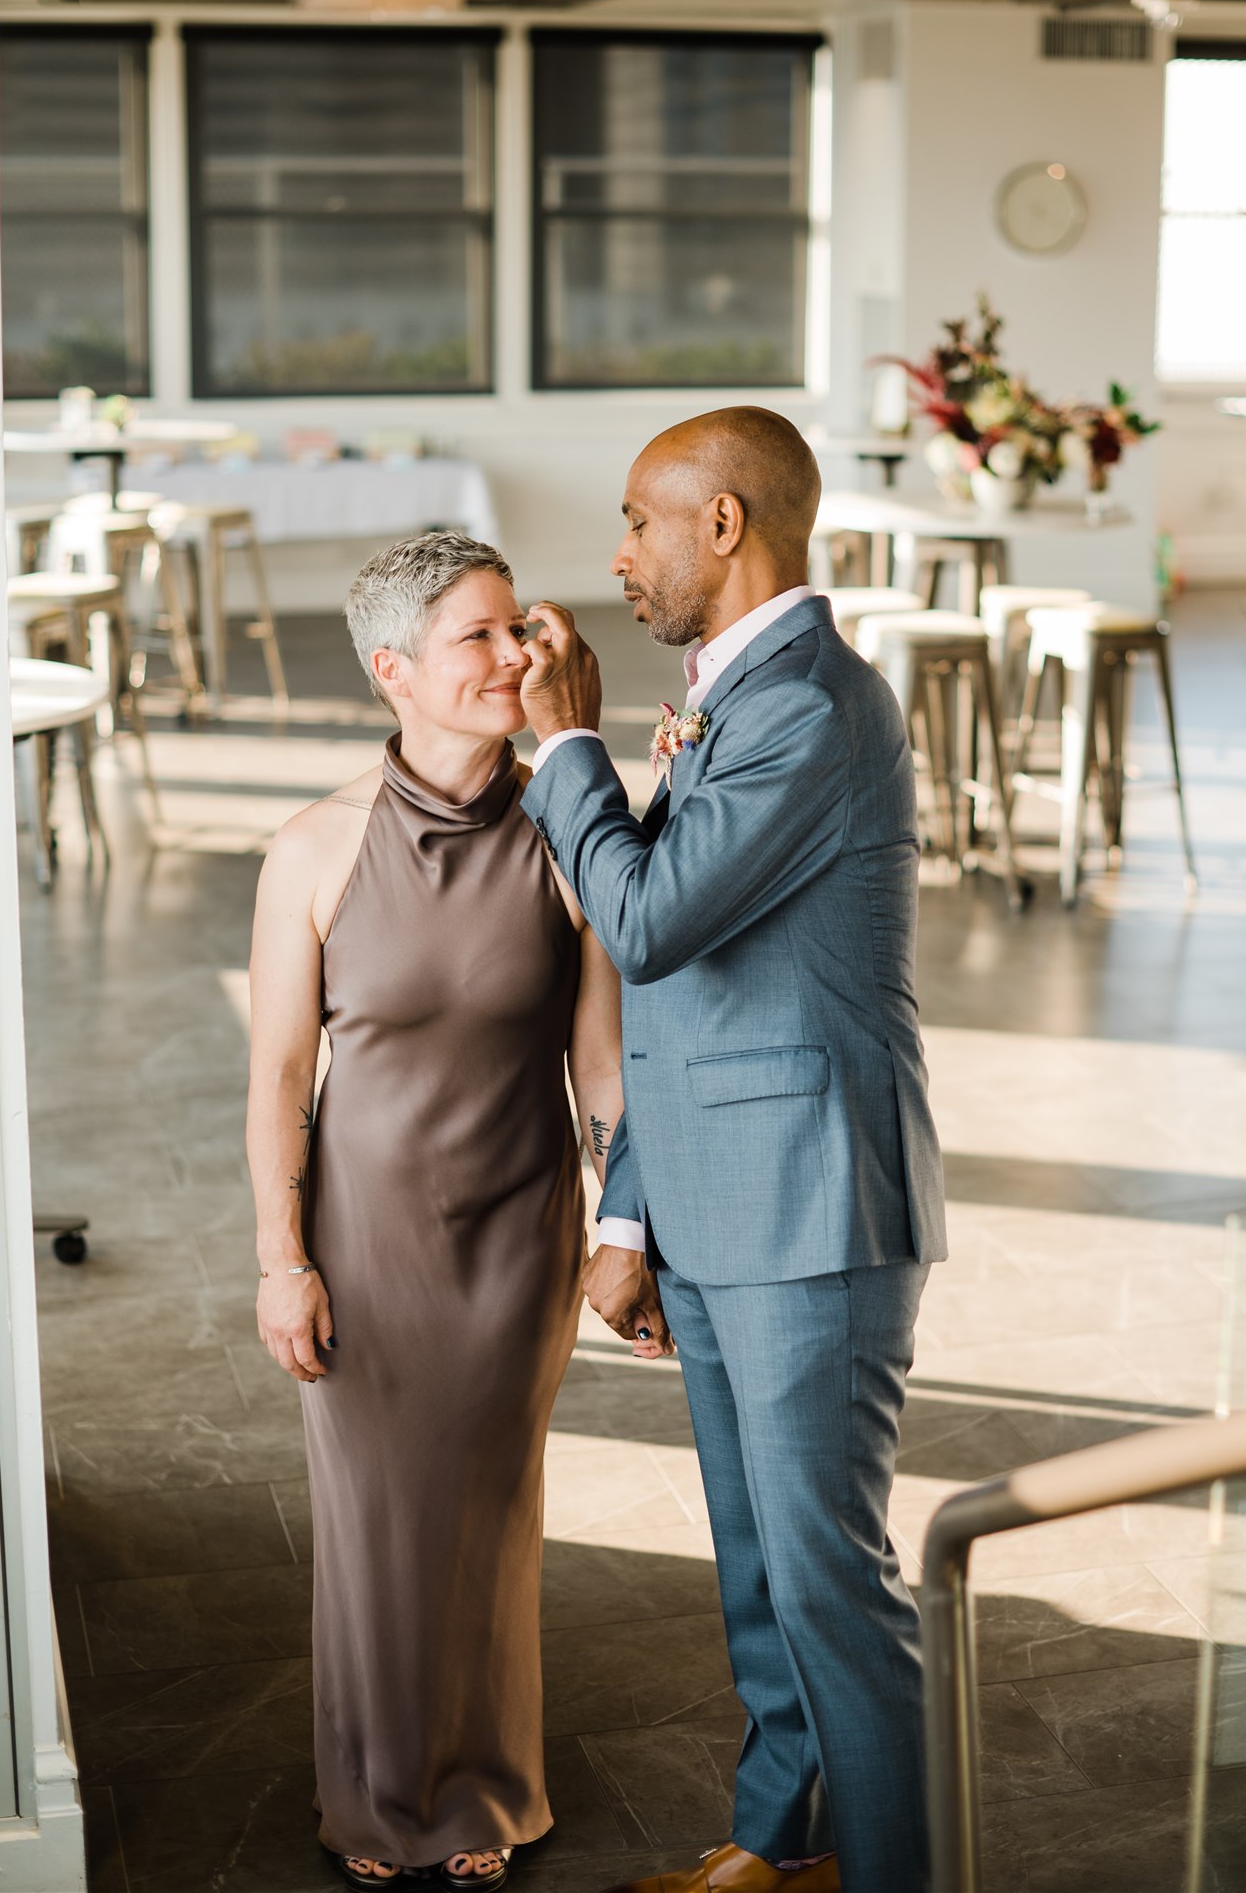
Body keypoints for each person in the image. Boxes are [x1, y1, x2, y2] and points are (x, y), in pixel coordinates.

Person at [517, 407, 947, 1893]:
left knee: (833, 1590)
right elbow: (676, 992)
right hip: (713, 1201)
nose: (620, 552)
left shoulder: (814, 710)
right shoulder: (737, 696)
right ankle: (785, 1847)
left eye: (641, 519)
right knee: (763, 1578)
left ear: (723, 526)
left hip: (813, 1213)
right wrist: (632, 1216)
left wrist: (563, 741)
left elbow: (640, 920)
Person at [246, 534, 628, 1891]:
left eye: (517, 629)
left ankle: (484, 1790)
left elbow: (601, 1061)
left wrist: (622, 1225)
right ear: (391, 670)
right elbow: (282, 1077)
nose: (516, 655)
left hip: (516, 1234)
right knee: (373, 1523)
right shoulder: (313, 847)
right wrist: (281, 1260)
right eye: (478, 637)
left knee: (489, 1513)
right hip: (364, 1238)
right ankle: (375, 1796)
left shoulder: (571, 831)